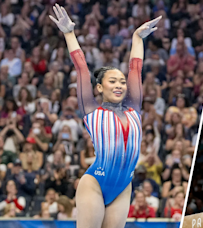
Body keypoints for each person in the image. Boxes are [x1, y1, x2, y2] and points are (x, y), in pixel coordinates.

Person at [49, 4, 161, 228]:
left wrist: (137, 37)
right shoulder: (91, 111)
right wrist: (69, 33)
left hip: (123, 187)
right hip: (95, 183)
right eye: (113, 81)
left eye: (122, 82)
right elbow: (81, 68)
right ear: (99, 88)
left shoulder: (134, 109)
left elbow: (135, 70)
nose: (120, 85)